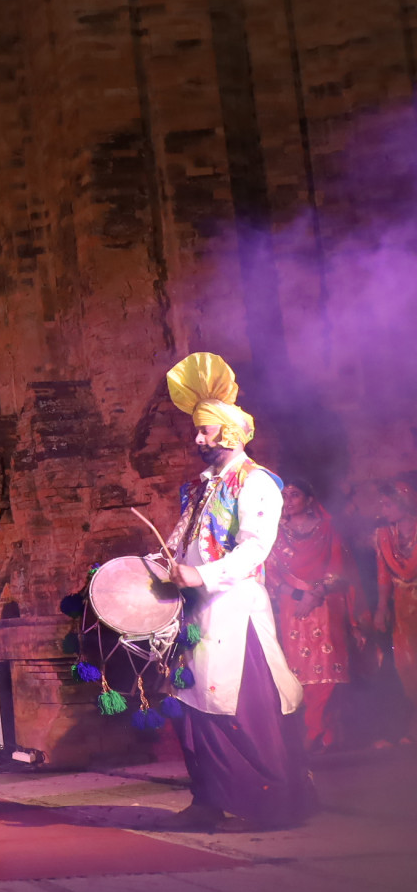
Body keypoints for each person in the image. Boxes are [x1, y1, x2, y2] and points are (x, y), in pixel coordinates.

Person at [157, 352, 312, 830]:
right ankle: (207, 800)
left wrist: (199, 577)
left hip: (233, 613)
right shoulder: (203, 486)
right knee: (192, 707)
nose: (197, 439)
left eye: (204, 431)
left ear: (228, 432)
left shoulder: (257, 482)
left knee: (240, 707)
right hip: (197, 612)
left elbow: (254, 550)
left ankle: (269, 805)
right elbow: (184, 542)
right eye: (198, 430)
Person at [265, 481, 353, 751]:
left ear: (310, 499)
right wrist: (298, 595)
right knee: (297, 669)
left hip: (324, 604)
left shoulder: (327, 528)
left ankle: (324, 731)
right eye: (284, 496)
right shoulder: (274, 533)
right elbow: (270, 573)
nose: (288, 500)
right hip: (291, 607)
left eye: (294, 495)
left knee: (327, 666)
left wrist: (315, 594)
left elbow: (338, 565)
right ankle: (309, 731)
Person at [373, 481, 417, 744]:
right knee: (406, 665)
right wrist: (380, 608)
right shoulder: (383, 535)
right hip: (401, 607)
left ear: (403, 503)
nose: (382, 508)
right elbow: (383, 575)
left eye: (387, 504)